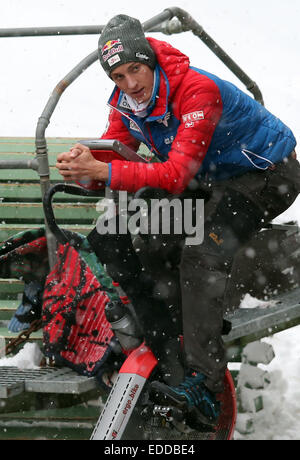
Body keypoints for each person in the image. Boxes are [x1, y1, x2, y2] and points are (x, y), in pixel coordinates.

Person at [56, 14, 299, 428]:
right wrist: (85, 167)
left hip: (266, 174)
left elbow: (174, 175)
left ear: (150, 58)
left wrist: (105, 173)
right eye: (118, 75)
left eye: (135, 69)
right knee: (117, 235)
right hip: (211, 178)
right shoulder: (125, 104)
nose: (130, 83)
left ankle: (204, 382)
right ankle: (169, 339)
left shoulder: (197, 90)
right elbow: (114, 157)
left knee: (204, 252)